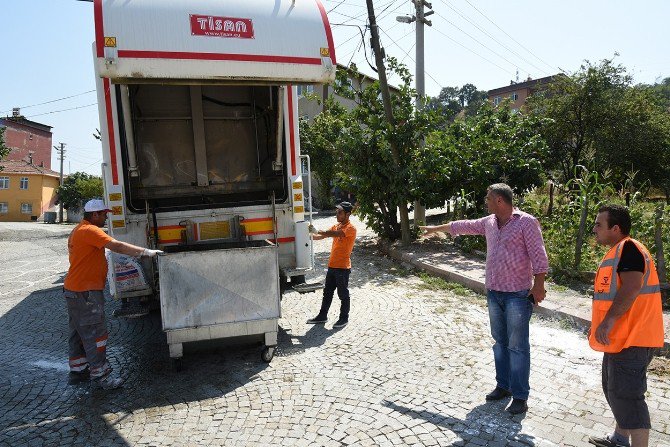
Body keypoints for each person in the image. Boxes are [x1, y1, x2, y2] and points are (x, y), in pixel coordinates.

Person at [419, 183, 548, 415]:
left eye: (488, 198)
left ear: (499, 200)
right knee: (500, 342)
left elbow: (539, 255)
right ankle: (504, 385)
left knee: (518, 347)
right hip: (494, 292)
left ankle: (520, 395)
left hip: (517, 295)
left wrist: (539, 285)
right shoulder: (489, 222)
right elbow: (464, 226)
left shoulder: (526, 222)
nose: (486, 202)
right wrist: (434, 228)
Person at [64, 199, 163, 390]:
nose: (106, 217)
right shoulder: (90, 231)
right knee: (95, 334)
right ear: (94, 215)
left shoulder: (78, 230)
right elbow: (115, 246)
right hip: (86, 293)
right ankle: (101, 376)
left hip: (74, 291)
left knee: (77, 332)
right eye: (103, 214)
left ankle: (78, 370)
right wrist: (145, 252)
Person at [588, 205, 664, 447]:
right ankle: (620, 439)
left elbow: (631, 287)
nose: (595, 228)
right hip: (620, 338)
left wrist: (608, 321)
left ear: (616, 228)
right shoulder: (620, 251)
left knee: (629, 397)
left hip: (634, 338)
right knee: (615, 391)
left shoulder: (629, 249)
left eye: (599, 224)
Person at [306, 201, 357, 328]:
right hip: (332, 266)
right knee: (327, 292)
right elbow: (322, 236)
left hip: (343, 268)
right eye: (337, 212)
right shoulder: (336, 226)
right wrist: (308, 236)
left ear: (348, 214)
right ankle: (322, 316)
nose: (337, 214)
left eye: (340, 212)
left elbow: (333, 234)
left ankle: (344, 318)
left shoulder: (350, 228)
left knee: (343, 294)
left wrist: (318, 231)